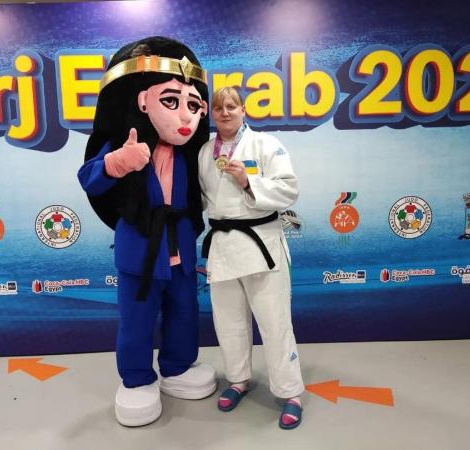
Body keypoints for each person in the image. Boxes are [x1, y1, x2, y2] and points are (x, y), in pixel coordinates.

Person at [78, 36, 216, 427]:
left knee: (184, 311)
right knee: (137, 319)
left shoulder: (193, 153)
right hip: (140, 246)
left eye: (193, 105)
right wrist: (117, 162)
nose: (185, 116)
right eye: (170, 101)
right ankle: (137, 379)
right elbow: (89, 178)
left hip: (180, 244)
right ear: (142, 101)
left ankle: (177, 367)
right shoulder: (124, 141)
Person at [198, 87, 305, 429]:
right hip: (222, 245)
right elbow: (200, 199)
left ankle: (290, 393)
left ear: (243, 110)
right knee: (229, 322)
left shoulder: (265, 145)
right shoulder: (205, 152)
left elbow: (289, 189)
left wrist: (248, 182)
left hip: (261, 244)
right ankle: (238, 379)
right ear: (212, 114)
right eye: (219, 108)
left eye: (232, 106)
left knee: (275, 323)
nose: (225, 112)